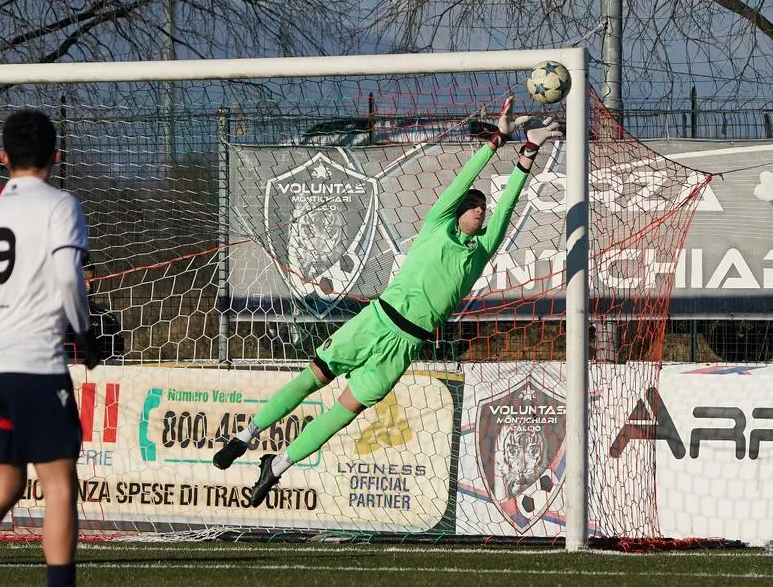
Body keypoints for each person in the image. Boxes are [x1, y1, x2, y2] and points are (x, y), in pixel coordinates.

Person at [213, 96, 562, 507]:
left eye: (484, 210)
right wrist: (496, 140)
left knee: (345, 410)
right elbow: (460, 183)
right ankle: (246, 434)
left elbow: (508, 207)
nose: (483, 213)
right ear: (459, 212)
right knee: (313, 378)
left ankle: (277, 465)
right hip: (376, 320)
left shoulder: (480, 251)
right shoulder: (436, 227)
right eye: (476, 208)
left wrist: (530, 151)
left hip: (403, 345)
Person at [0, 110, 100, 587]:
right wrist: (83, 332)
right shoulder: (60, 204)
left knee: (7, 482)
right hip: (35, 366)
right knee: (59, 485)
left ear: (3, 157)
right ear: (56, 158)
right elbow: (66, 275)